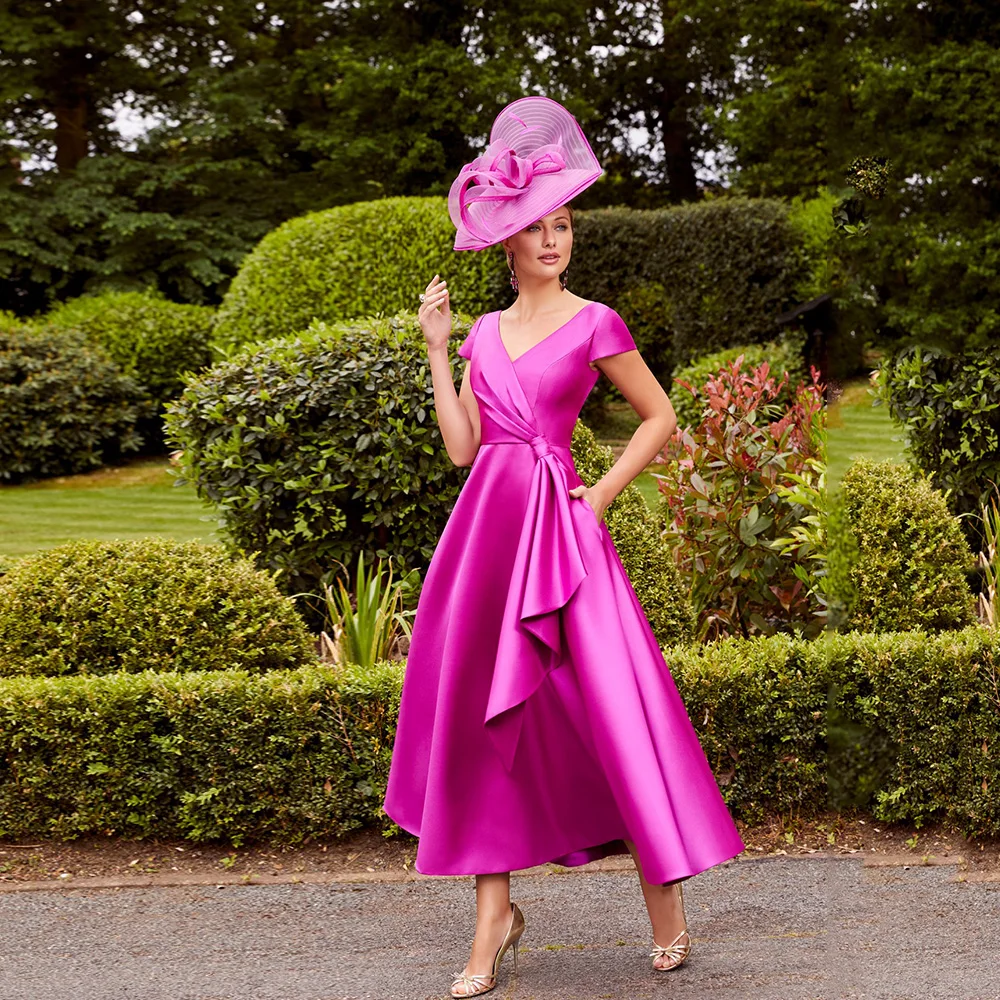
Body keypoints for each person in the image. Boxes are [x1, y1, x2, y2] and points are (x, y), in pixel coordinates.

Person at [382, 95, 745, 998]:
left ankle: (665, 908)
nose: (555, 241)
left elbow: (659, 417)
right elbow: (463, 448)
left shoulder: (597, 321)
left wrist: (601, 495)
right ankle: (492, 919)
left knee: (608, 711)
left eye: (565, 226)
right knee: (484, 726)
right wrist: (435, 350)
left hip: (564, 536)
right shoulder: (478, 333)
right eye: (539, 229)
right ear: (506, 241)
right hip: (485, 538)